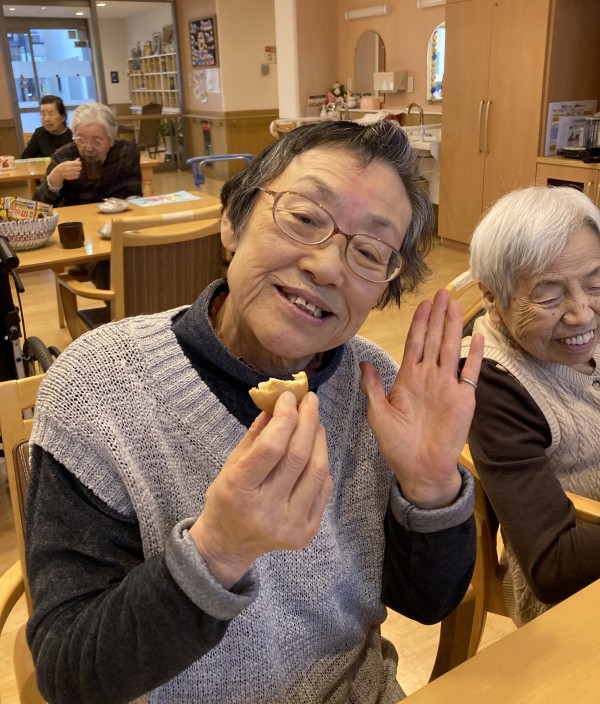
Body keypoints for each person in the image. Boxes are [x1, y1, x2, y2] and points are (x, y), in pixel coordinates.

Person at [25, 120, 483, 704]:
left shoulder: (377, 391)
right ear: (232, 223)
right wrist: (219, 549)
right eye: (305, 217)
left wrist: (431, 486)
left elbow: (427, 602)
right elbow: (70, 674)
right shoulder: (99, 389)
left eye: (370, 251)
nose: (327, 267)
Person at [462, 185, 600, 627]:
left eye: (594, 283)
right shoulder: (492, 383)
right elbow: (553, 567)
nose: (582, 314)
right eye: (549, 296)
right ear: (492, 299)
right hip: (576, 595)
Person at [33, 101, 141, 207]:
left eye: (97, 140)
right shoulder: (63, 157)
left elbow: (135, 196)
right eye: (81, 139)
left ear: (112, 139)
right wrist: (54, 181)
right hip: (77, 217)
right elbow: (38, 209)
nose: (88, 148)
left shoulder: (126, 152)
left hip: (118, 216)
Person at [21, 94, 73, 159]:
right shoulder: (39, 133)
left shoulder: (73, 136)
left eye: (51, 114)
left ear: (63, 117)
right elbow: (25, 157)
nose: (46, 119)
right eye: (43, 114)